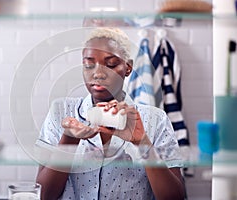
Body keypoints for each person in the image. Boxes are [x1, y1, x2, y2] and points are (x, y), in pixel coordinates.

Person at [36, 27, 185, 200]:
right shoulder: (61, 112)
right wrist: (68, 140)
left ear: (128, 67)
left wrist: (143, 144)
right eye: (89, 65)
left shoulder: (155, 119)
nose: (98, 73)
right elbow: (44, 195)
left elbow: (174, 198)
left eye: (111, 64)